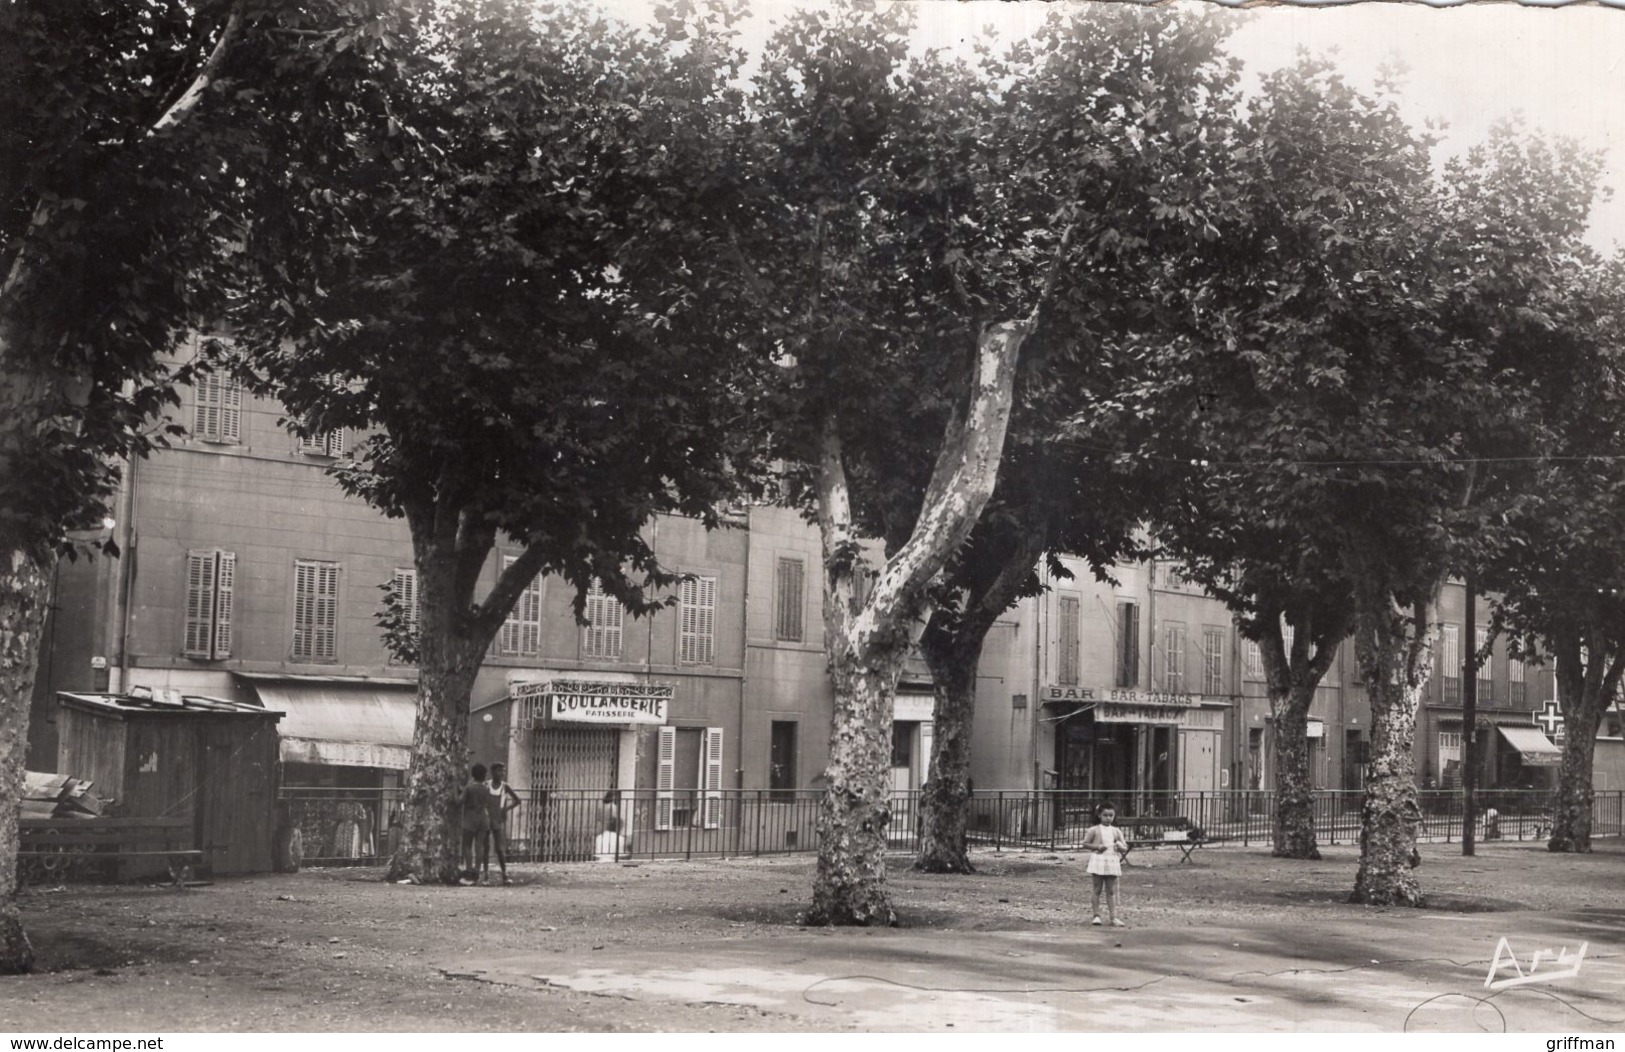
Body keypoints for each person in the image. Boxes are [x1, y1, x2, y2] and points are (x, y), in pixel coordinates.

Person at [1082, 801, 1129, 928]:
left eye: (1111, 815)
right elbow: (1085, 843)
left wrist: (1120, 846)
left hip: (1111, 860)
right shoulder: (1094, 830)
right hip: (1098, 860)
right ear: (1099, 815)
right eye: (1105, 815)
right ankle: (1096, 915)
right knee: (1097, 889)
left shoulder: (1116, 831)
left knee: (1111, 890)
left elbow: (1125, 847)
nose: (1108, 818)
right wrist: (1097, 846)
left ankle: (1113, 917)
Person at [485, 762, 521, 885]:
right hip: (486, 818)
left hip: (497, 819)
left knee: (499, 848)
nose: (501, 773)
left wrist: (506, 809)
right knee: (486, 847)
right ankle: (485, 875)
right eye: (499, 771)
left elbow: (517, 800)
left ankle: (504, 874)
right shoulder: (486, 785)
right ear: (492, 772)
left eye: (503, 771)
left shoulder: (505, 787)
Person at [460, 763, 491, 884]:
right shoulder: (486, 789)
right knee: (480, 846)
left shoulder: (469, 788)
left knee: (467, 845)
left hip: (470, 818)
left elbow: (459, 801)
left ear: (473, 775)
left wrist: (454, 789)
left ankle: (469, 870)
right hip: (483, 818)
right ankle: (477, 871)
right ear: (484, 776)